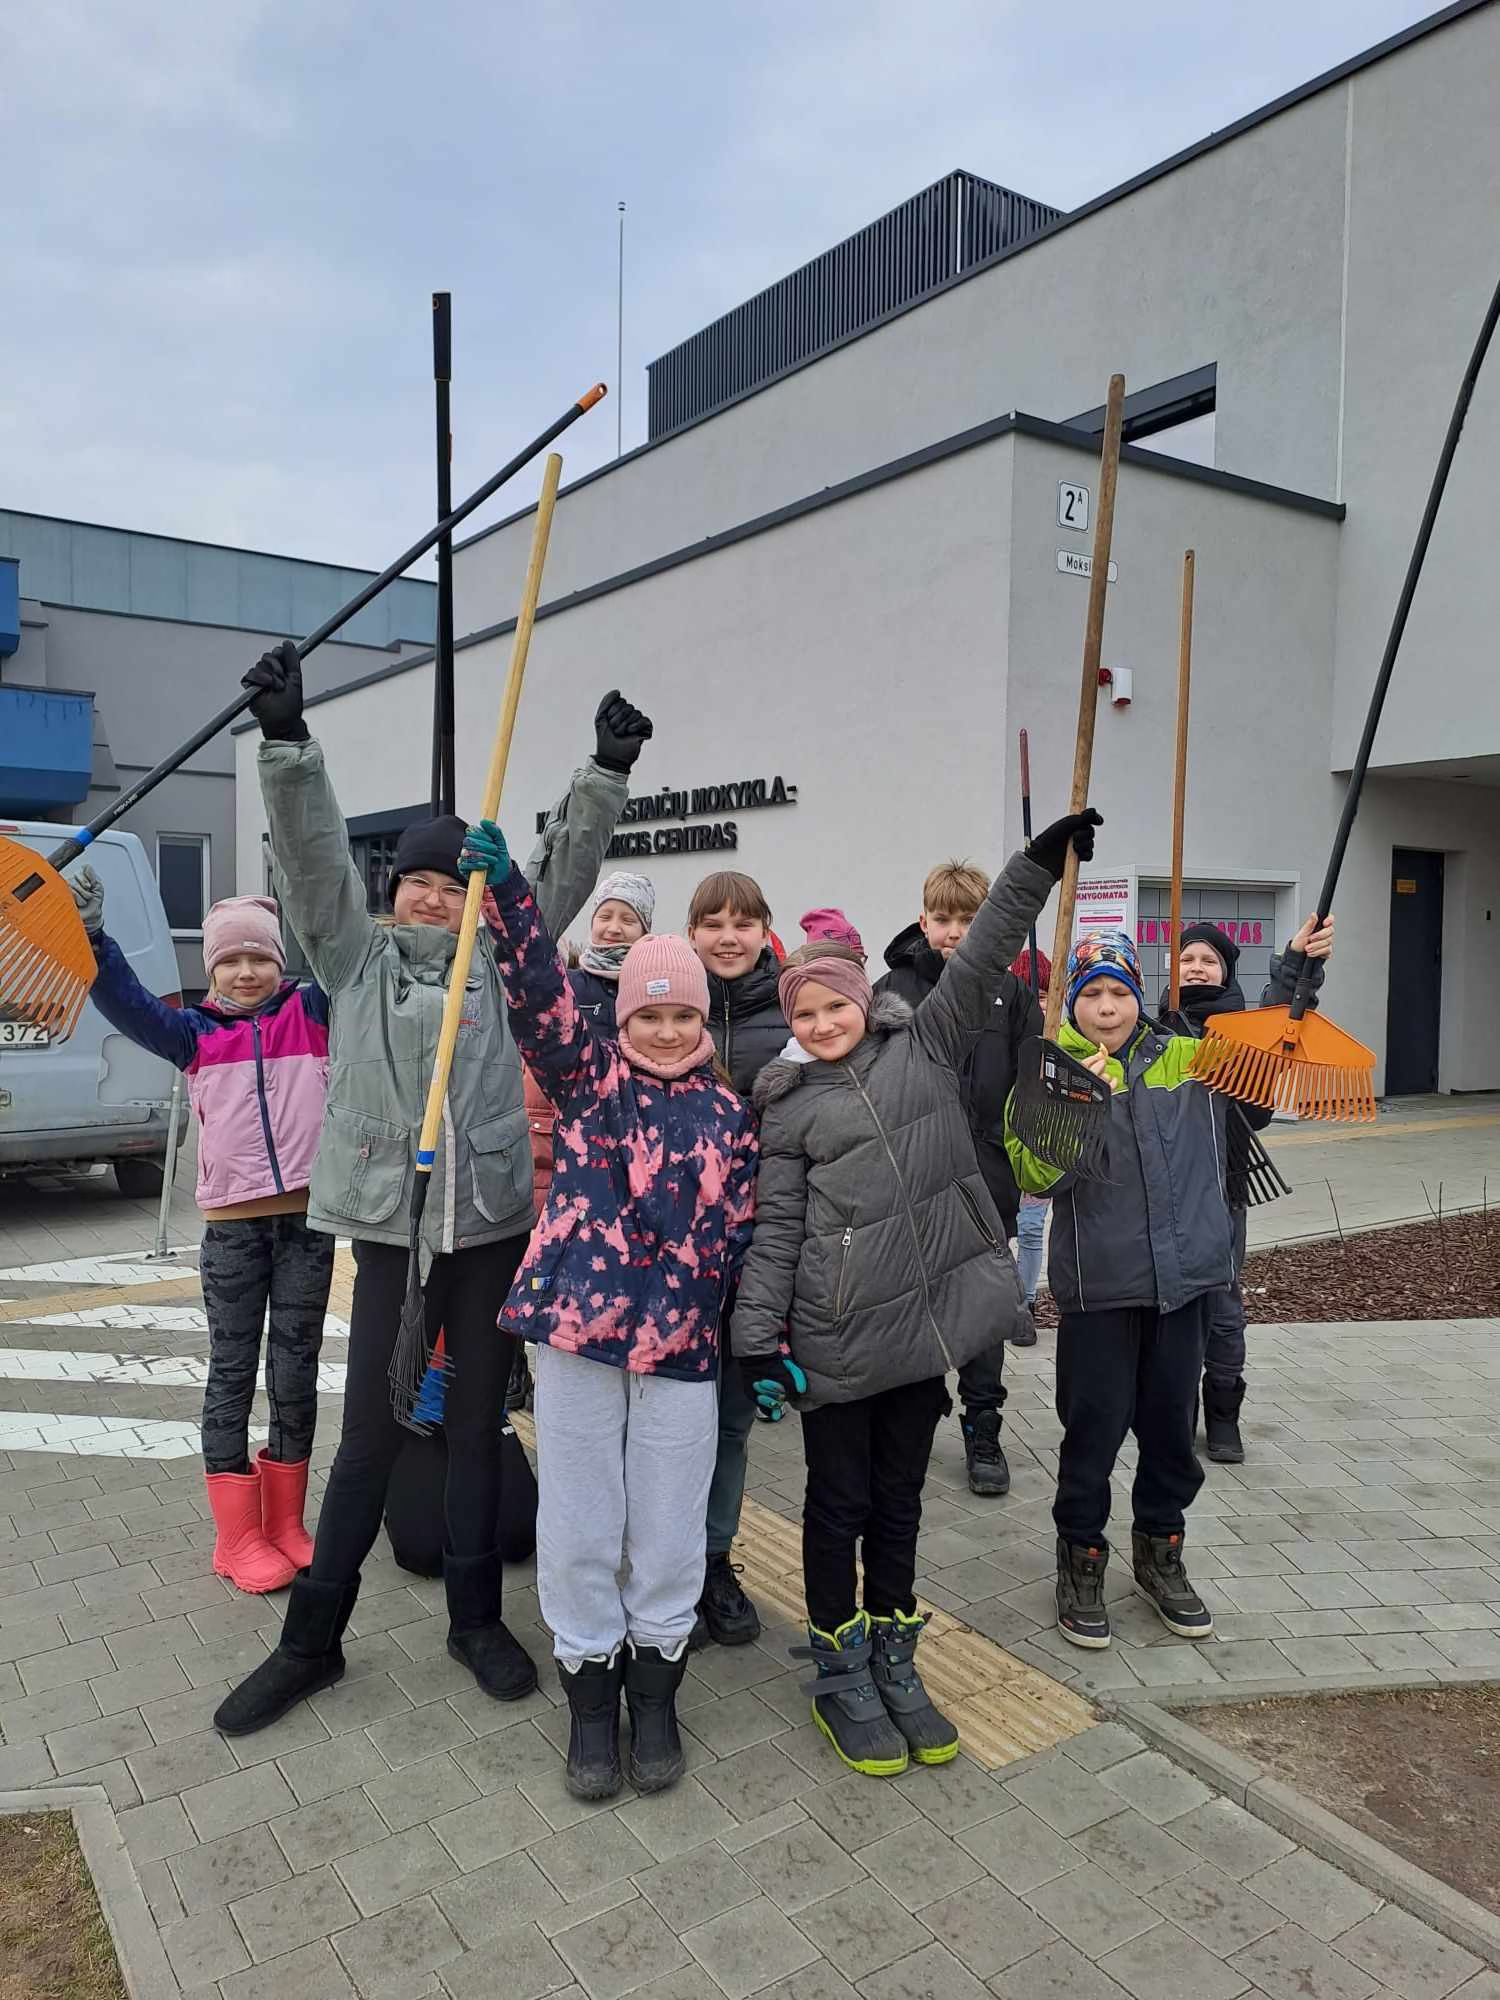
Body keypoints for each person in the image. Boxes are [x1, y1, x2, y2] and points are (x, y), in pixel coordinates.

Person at [213, 645, 650, 1737]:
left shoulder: (500, 961)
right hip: (392, 1235)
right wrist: (287, 743)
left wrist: (602, 773)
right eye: (417, 880)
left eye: (452, 885)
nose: (433, 896)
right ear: (392, 889)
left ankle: (474, 1619)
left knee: (475, 1430)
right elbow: (312, 857)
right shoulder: (353, 959)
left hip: (491, 1229)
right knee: (369, 1432)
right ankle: (311, 1641)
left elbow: (556, 878)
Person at [735, 811, 1098, 1778]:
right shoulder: (787, 1109)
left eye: (835, 1006)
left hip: (918, 1333)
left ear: (865, 1001)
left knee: (898, 1503)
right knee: (836, 1505)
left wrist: (1035, 866)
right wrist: (758, 1340)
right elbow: (775, 1231)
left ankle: (896, 1658)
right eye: (804, 1014)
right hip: (835, 1339)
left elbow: (981, 955)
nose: (822, 1024)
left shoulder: (926, 1044)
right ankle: (839, 1667)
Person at [464, 820, 758, 1799]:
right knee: (583, 1519)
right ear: (623, 1019)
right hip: (577, 1337)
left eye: (683, 1016)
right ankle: (590, 1696)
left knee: (669, 1526)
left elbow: (744, 1234)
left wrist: (761, 1341)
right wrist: (511, 894)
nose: (666, 1031)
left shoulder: (731, 1116)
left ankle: (656, 1689)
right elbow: (538, 993)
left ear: (703, 1020)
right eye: (649, 1015)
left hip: (682, 1347)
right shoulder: (589, 1081)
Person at [1006, 928, 1272, 1654]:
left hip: (1183, 1288)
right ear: (1071, 1000)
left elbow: (1263, 1065)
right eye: (1091, 993)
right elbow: (1032, 1174)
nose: (1106, 1007)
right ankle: (1080, 1559)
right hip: (1101, 1290)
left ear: (1138, 996)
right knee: (1092, 1431)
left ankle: (1160, 1551)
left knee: (1170, 1432)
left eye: (1119, 992)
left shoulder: (1185, 1055)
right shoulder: (1049, 1069)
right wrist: (1077, 1101)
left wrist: (1296, 973)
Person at [69, 877, 331, 1592]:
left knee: (296, 1373)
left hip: (308, 1225)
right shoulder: (194, 1035)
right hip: (233, 1234)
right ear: (211, 969)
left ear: (281, 963)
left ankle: (285, 1523)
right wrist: (93, 940)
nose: (247, 972)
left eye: (260, 958)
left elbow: (349, 955)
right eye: (230, 961)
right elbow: (124, 1000)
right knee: (233, 1373)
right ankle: (237, 1537)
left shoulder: (311, 1012)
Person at [875, 861, 1045, 1499]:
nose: (954, 932)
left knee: (981, 1311)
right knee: (911, 1306)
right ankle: (907, 1422)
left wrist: (1027, 1153)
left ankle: (983, 1424)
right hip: (911, 1178)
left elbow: (1029, 1082)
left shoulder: (1012, 993)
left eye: (969, 920)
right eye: (943, 919)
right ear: (923, 921)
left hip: (986, 1177)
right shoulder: (892, 989)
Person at [1164, 915, 1334, 1463]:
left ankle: (1223, 1411)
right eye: (1186, 959)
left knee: (1222, 1304)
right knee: (1171, 1309)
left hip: (1225, 1188)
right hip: (1166, 1192)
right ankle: (1176, 1413)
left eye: (1208, 960)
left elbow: (1280, 1022)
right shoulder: (1155, 1028)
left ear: (1226, 971)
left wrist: (1297, 964)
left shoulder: (1244, 1029)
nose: (1196, 968)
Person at [683, 869, 790, 1648]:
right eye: (712, 923)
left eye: (742, 922)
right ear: (691, 933)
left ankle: (714, 1561)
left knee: (729, 1422)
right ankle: (665, 1562)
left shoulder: (791, 1013)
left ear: (764, 930)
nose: (727, 936)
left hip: (757, 1256)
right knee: (664, 1426)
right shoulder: (665, 1006)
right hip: (671, 1260)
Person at [512, 869, 658, 1412]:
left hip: (622, 1154)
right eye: (606, 916)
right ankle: (521, 1367)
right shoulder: (569, 985)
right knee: (540, 1259)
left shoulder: (650, 989)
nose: (614, 927)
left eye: (628, 919)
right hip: (551, 1143)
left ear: (646, 929)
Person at [1008, 948, 1052, 1314]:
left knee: (1032, 1226)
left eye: (1044, 995)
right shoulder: (1004, 1031)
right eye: (1031, 994)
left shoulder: (1060, 1037)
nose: (1038, 1003)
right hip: (1006, 1142)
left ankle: (1026, 1303)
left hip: (1041, 1141)